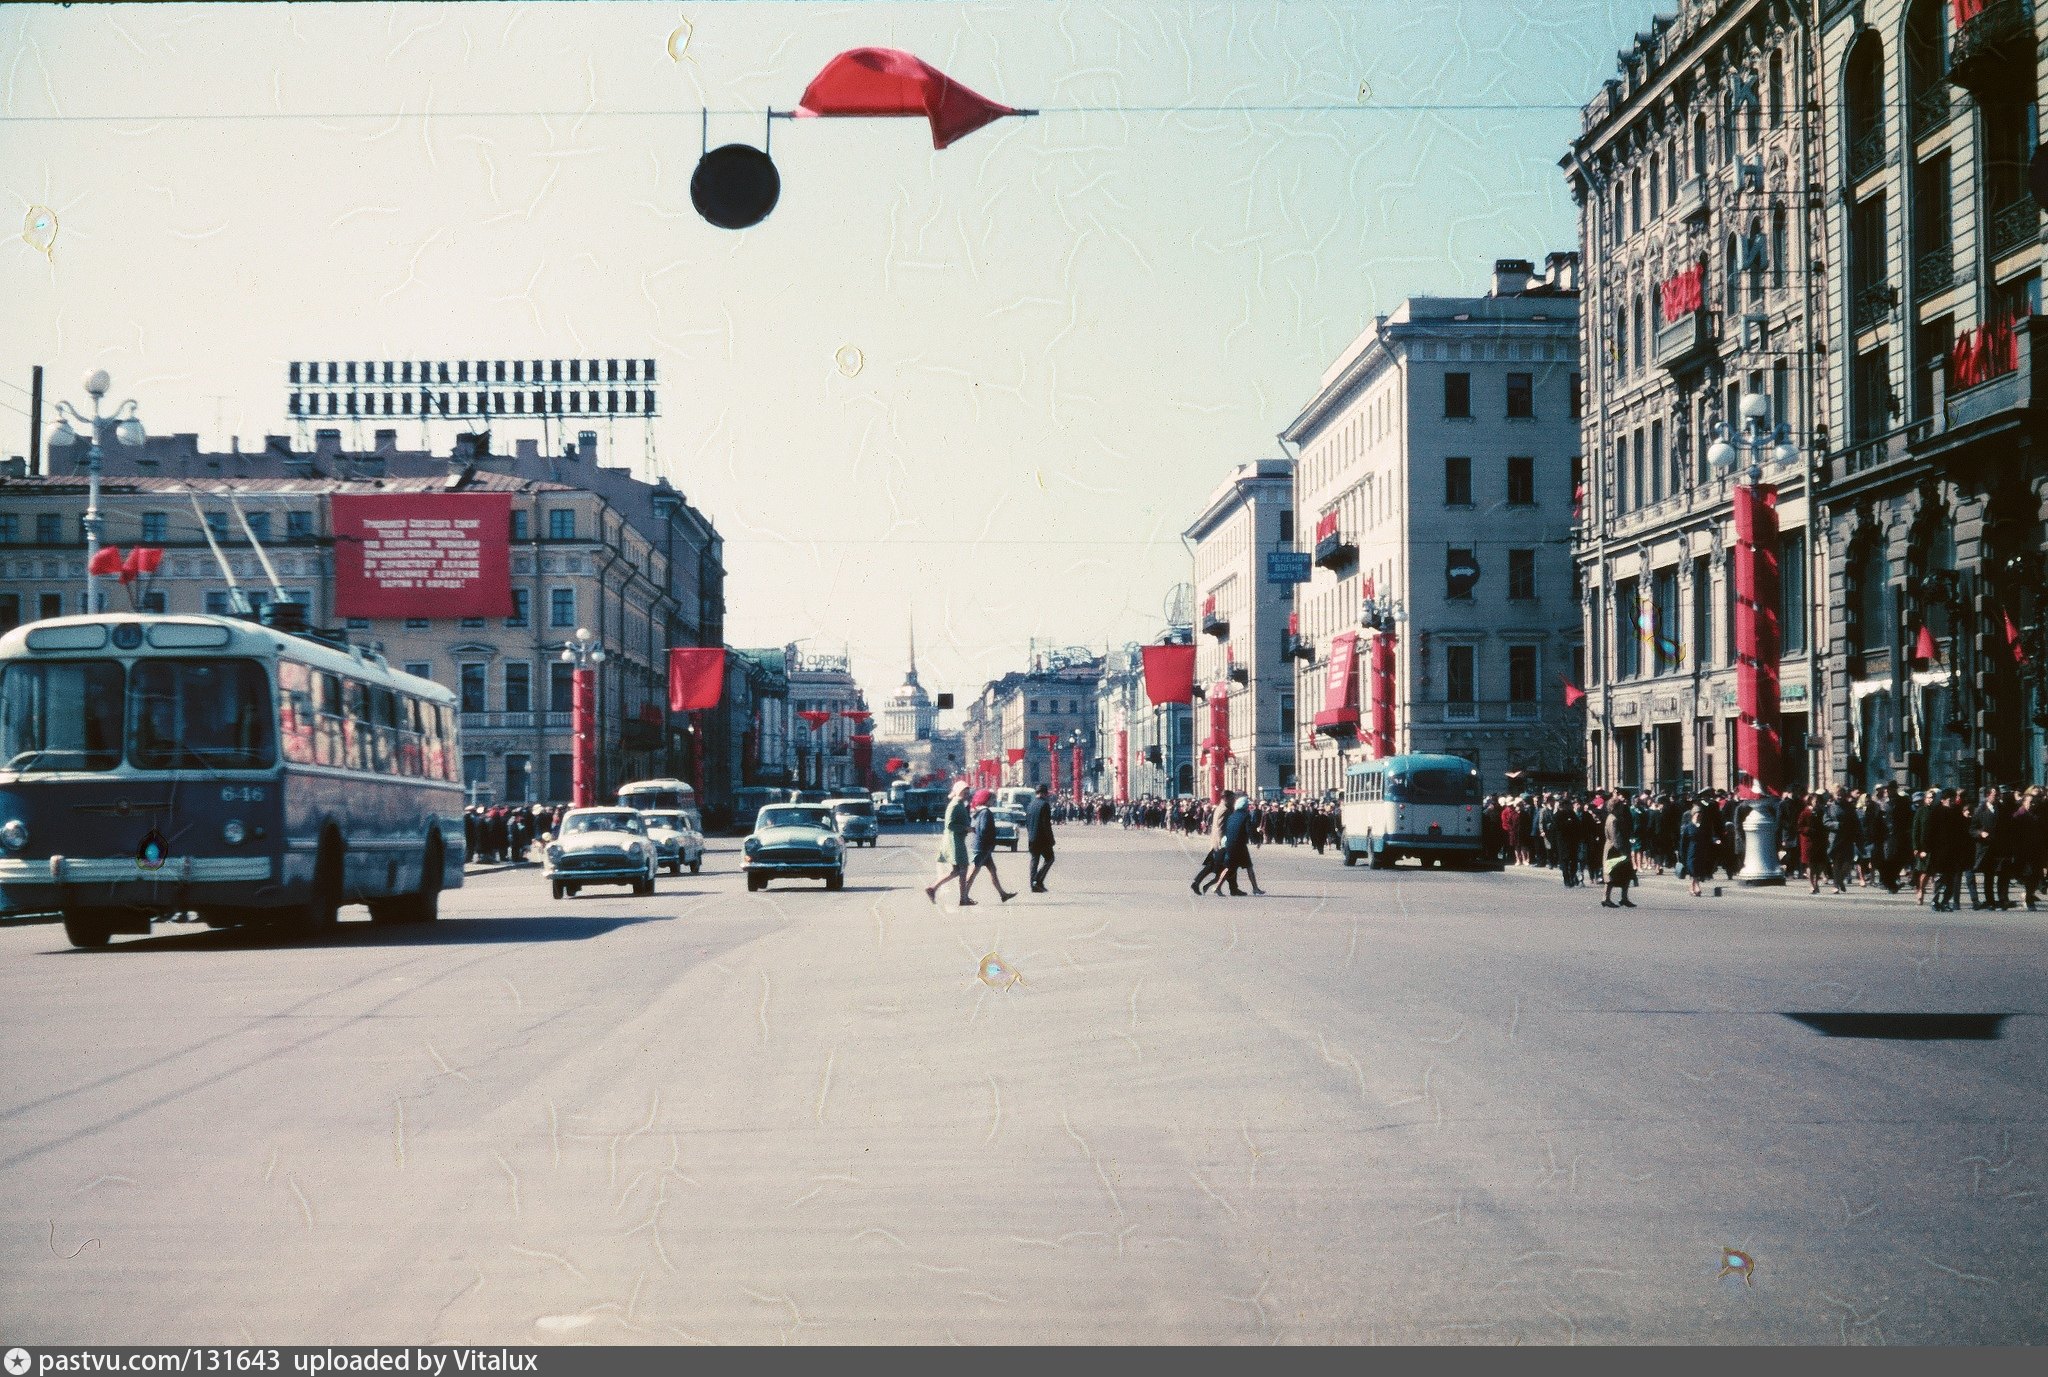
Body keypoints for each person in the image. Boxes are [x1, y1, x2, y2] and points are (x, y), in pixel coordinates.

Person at [962, 788, 1017, 905]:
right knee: (973, 872)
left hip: (981, 846)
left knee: (993, 871)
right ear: (986, 799)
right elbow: (984, 829)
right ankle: (963, 896)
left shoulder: (977, 811)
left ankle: (1003, 894)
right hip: (983, 847)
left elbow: (975, 827)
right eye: (992, 798)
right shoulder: (986, 812)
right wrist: (991, 837)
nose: (994, 800)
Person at [925, 781, 973, 906]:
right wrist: (966, 828)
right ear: (958, 792)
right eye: (964, 792)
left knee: (957, 870)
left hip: (956, 839)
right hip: (954, 841)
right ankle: (963, 898)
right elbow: (949, 825)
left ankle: (933, 888)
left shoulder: (960, 804)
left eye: (967, 792)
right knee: (963, 869)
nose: (966, 794)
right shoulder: (955, 805)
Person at [1216, 795, 1263, 896]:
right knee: (1249, 867)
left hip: (1230, 844)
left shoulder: (1232, 815)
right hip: (1240, 846)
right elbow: (1249, 830)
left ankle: (1217, 887)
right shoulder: (1246, 816)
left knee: (1228, 867)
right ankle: (1255, 888)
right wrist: (1257, 840)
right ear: (1245, 806)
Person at [1193, 791, 1235, 895]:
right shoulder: (1224, 810)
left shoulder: (1221, 808)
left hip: (1217, 842)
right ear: (1226, 798)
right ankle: (1230, 888)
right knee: (1222, 866)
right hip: (1220, 843)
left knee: (1212, 866)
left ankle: (1197, 883)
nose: (1234, 800)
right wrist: (1222, 843)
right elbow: (1220, 827)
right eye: (1232, 798)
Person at [1601, 798, 1636, 907]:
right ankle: (1606, 898)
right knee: (1611, 875)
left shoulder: (1616, 818)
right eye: (1620, 806)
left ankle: (1624, 898)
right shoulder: (1613, 820)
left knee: (1626, 874)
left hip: (1618, 849)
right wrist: (1623, 852)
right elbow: (1616, 837)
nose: (1622, 808)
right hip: (1615, 851)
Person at [1024, 784, 1057, 893]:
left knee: (1034, 860)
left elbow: (1027, 823)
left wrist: (1031, 834)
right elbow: (1046, 824)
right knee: (1050, 858)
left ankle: (1033, 884)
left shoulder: (1030, 805)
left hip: (1032, 838)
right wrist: (1051, 839)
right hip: (1042, 839)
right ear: (1044, 793)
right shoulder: (1044, 805)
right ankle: (1037, 880)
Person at [1679, 800, 1712, 898]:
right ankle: (1697, 886)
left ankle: (1691, 887)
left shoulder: (1703, 827)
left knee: (1697, 869)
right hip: (1691, 851)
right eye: (1697, 814)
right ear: (1693, 815)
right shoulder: (1688, 827)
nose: (1699, 816)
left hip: (1701, 851)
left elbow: (1708, 837)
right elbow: (1683, 843)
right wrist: (1681, 855)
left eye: (1700, 815)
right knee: (1693, 869)